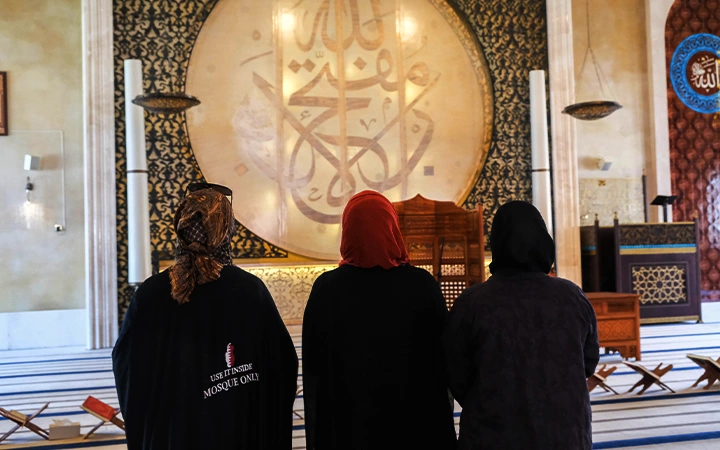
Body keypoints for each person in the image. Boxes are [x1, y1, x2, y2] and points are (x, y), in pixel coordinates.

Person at [112, 184, 298, 450]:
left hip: (172, 435)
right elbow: (281, 368)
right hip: (238, 432)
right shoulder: (249, 290)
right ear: (226, 229)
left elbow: (128, 369)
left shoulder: (150, 294)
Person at [302, 190, 457, 450]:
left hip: (349, 432)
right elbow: (444, 365)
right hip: (416, 430)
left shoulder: (327, 290)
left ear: (348, 230)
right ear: (392, 229)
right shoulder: (422, 286)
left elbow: (315, 375)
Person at [443, 201, 599, 450]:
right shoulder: (572, 296)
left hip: (493, 434)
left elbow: (457, 376)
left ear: (498, 243)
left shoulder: (472, 303)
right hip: (565, 433)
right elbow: (588, 362)